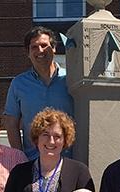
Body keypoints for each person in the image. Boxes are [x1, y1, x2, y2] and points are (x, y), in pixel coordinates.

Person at [4, 108, 95, 192]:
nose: (51, 141)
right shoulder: (19, 173)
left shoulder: (79, 172)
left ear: (65, 141)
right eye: (45, 135)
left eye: (57, 136)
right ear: (37, 138)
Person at [5, 26, 75, 159]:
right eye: (34, 47)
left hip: (68, 160)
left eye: (44, 45)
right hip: (32, 161)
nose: (40, 50)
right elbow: (11, 123)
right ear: (28, 53)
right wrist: (20, 156)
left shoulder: (71, 79)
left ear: (53, 48)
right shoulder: (18, 84)